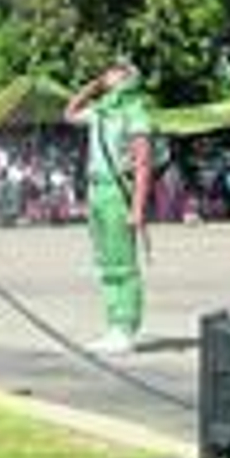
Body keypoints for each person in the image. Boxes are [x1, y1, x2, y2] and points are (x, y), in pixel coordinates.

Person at [66, 57, 152, 355]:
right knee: (105, 262)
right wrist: (93, 87)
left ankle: (126, 326)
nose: (108, 74)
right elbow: (70, 112)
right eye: (108, 70)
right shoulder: (101, 111)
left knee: (123, 263)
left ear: (129, 78)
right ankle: (113, 323)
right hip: (96, 189)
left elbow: (143, 163)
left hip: (117, 191)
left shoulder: (134, 110)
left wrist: (138, 208)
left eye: (115, 71)